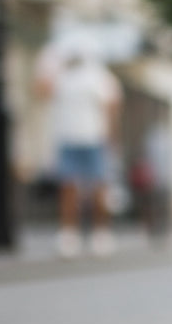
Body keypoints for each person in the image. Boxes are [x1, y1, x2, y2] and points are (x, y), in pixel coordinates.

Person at [37, 37, 122, 258]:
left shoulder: (101, 78)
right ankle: (69, 235)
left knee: (98, 189)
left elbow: (111, 108)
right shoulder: (63, 77)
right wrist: (48, 62)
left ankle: (100, 234)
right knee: (68, 188)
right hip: (68, 139)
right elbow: (42, 91)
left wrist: (110, 139)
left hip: (94, 139)